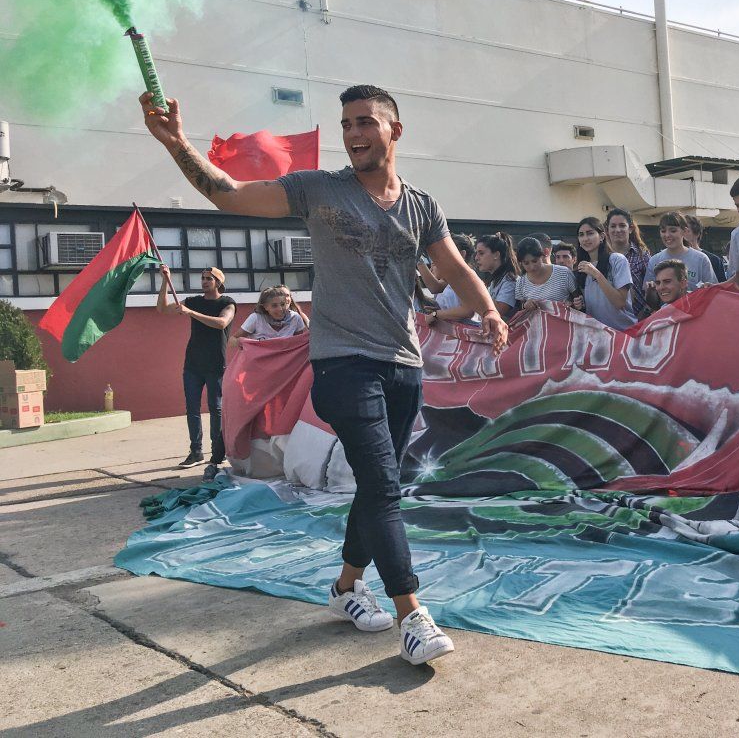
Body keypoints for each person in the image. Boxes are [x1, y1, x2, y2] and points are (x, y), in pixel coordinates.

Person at [140, 84, 508, 667]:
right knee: (385, 484)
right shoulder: (319, 190)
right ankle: (412, 614)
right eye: (346, 124)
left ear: (394, 130)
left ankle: (343, 588)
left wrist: (487, 309)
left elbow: (454, 267)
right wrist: (177, 144)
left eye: (366, 122)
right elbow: (228, 194)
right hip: (341, 362)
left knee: (375, 483)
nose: (354, 133)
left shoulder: (421, 205)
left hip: (403, 365)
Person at [157, 265, 236, 475]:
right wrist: (165, 280)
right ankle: (196, 452)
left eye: (209, 278)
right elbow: (162, 309)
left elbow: (221, 323)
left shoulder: (227, 303)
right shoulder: (193, 301)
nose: (204, 282)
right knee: (192, 409)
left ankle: (217, 452)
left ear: (218, 282)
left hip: (215, 363)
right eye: (202, 278)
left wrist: (191, 312)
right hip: (193, 364)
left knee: (215, 408)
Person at [573, 216, 637, 329]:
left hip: (623, 332)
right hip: (597, 334)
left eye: (590, 233)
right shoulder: (581, 267)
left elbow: (619, 302)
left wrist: (596, 274)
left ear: (602, 236)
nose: (585, 238)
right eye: (581, 234)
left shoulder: (617, 260)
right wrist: (580, 303)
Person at [646, 212, 715, 303]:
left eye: (673, 231)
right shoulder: (654, 260)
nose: (667, 235)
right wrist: (651, 291)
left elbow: (713, 292)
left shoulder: (701, 259)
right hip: (666, 315)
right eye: (663, 231)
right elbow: (651, 300)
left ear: (684, 231)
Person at [420, 233, 478, 324]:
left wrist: (436, 314)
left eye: (447, 252)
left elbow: (467, 310)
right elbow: (434, 287)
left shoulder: (465, 276)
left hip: (464, 333)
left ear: (462, 254)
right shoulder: (451, 276)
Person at [605, 208, 652, 318]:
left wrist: (644, 314)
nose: (617, 230)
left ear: (630, 228)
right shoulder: (602, 256)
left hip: (638, 318)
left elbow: (652, 287)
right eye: (613, 226)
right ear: (607, 230)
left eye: (622, 225)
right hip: (609, 319)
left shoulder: (642, 255)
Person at [229, 284, 308, 348]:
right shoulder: (256, 318)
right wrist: (243, 344)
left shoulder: (295, 317)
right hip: (260, 364)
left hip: (287, 365)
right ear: (265, 307)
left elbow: (299, 344)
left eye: (283, 304)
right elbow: (232, 340)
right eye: (274, 306)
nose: (280, 309)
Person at [514, 236, 575, 310]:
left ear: (541, 256)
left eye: (535, 261)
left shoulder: (564, 273)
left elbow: (578, 299)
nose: (532, 267)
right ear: (521, 263)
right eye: (526, 263)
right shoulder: (521, 283)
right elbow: (519, 309)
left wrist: (572, 303)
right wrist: (525, 305)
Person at [474, 232, 520, 320]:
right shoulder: (494, 280)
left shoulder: (510, 280)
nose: (476, 258)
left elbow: (499, 310)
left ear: (496, 255)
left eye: (481, 253)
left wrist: (478, 290)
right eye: (477, 253)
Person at [683, 214, 727, 283]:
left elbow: (721, 288)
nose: (681, 234)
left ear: (697, 234)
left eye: (686, 230)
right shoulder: (669, 258)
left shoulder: (713, 260)